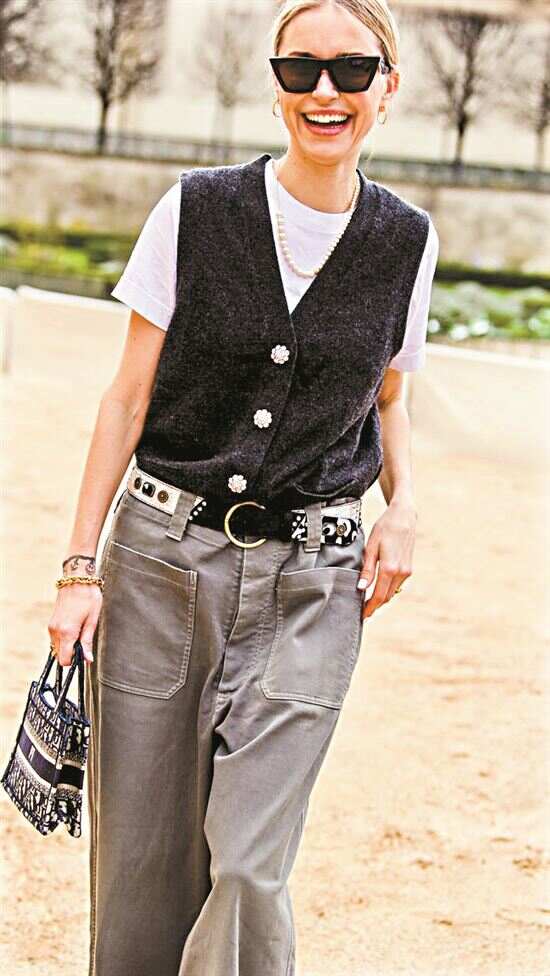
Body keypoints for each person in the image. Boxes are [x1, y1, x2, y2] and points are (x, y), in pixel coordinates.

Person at [47, 1, 439, 973]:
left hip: (315, 583)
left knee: (252, 865)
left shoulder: (407, 241)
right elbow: (126, 398)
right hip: (160, 569)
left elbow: (390, 398)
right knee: (143, 865)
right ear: (275, 84)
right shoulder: (194, 209)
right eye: (301, 69)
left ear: (387, 87)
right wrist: (79, 569)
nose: (324, 92)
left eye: (351, 71)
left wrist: (405, 507)